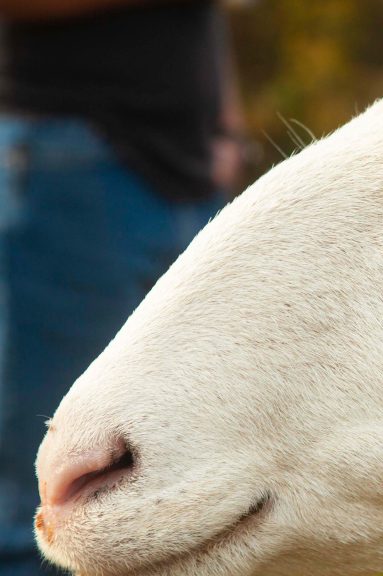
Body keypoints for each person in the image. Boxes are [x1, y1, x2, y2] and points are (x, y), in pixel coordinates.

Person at [0, 1, 243, 573]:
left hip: (184, 169)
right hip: (69, 163)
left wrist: (226, 126)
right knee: (54, 498)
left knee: (196, 470)